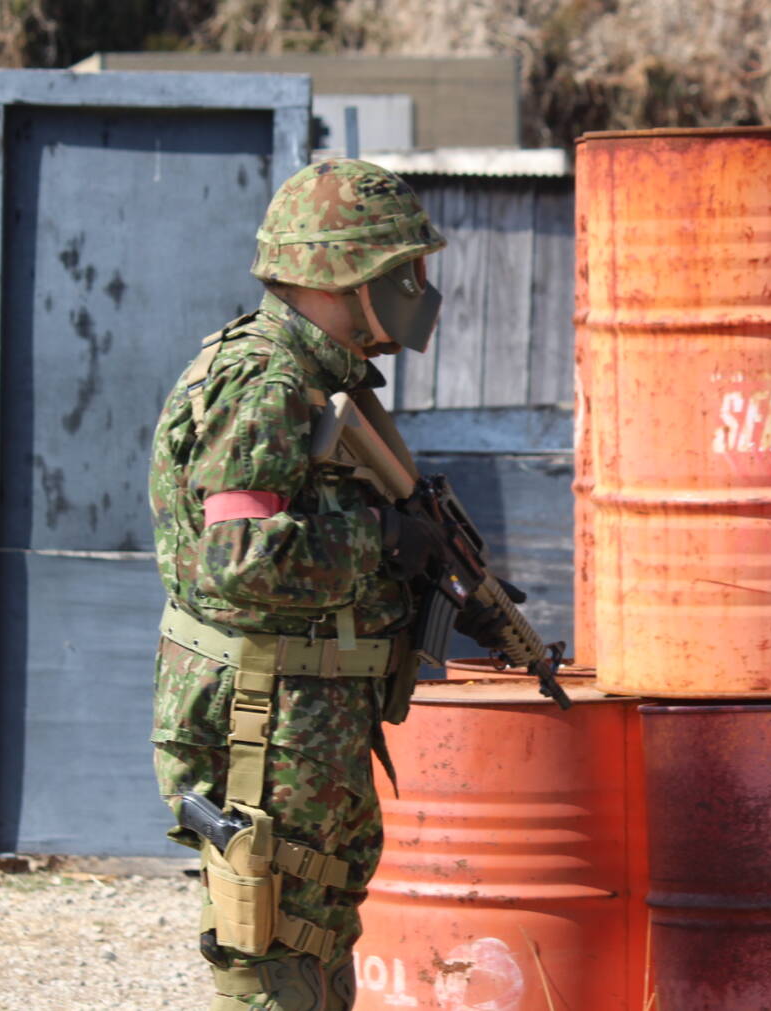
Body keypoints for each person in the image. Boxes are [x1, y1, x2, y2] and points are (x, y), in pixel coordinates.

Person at [147, 159, 501, 1010]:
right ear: (345, 271)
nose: (417, 289)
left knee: (313, 941)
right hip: (267, 725)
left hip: (305, 722)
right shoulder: (267, 382)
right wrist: (383, 538)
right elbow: (239, 560)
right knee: (274, 957)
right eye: (403, 269)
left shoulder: (318, 380)